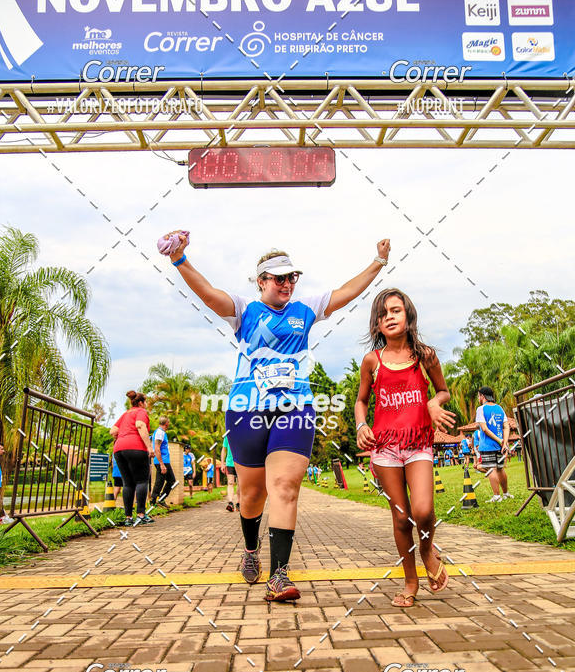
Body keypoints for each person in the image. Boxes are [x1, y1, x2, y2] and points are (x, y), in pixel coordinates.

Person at [163, 228, 391, 601]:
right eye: (280, 278)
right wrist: (180, 259)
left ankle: (279, 575)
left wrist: (378, 262)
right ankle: (251, 548)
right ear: (262, 281)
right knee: (252, 495)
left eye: (292, 277)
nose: (288, 284)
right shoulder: (245, 310)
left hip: (294, 408)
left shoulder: (306, 310)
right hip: (246, 410)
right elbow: (209, 295)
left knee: (285, 487)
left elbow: (347, 292)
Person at [355, 288, 456, 608]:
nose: (390, 317)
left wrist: (433, 403)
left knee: (423, 510)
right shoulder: (372, 361)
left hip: (418, 444)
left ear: (408, 315)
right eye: (383, 314)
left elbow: (444, 392)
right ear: (377, 324)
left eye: (396, 310)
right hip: (384, 448)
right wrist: (361, 426)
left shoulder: (425, 355)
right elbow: (361, 401)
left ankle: (427, 550)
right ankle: (410, 581)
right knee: (401, 518)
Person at [111, 390, 155, 526]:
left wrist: (123, 437)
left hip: (119, 449)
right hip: (136, 448)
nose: (146, 404)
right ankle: (141, 515)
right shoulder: (140, 411)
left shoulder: (125, 414)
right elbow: (140, 425)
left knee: (128, 483)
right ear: (141, 403)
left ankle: (128, 518)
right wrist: (149, 447)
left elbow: (113, 431)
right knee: (142, 480)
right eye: (145, 402)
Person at [475, 386, 513, 501]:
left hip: (487, 445)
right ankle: (506, 494)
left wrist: (500, 441)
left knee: (491, 469)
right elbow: (506, 426)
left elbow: (484, 429)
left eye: (478, 395)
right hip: (500, 446)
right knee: (500, 468)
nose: (478, 398)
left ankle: (497, 496)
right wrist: (504, 442)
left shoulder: (481, 409)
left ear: (482, 396)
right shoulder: (500, 408)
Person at [150, 417, 176, 505]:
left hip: (163, 461)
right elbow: (157, 448)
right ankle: (155, 500)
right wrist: (161, 464)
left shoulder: (160, 432)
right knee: (166, 480)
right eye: (168, 422)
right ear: (166, 423)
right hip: (162, 461)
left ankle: (158, 499)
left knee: (163, 481)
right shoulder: (160, 433)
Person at [221, 434, 240, 511]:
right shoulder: (227, 435)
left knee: (240, 483)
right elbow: (224, 449)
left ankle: (239, 503)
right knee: (230, 482)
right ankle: (230, 503)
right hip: (229, 463)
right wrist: (222, 463)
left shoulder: (242, 434)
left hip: (240, 462)